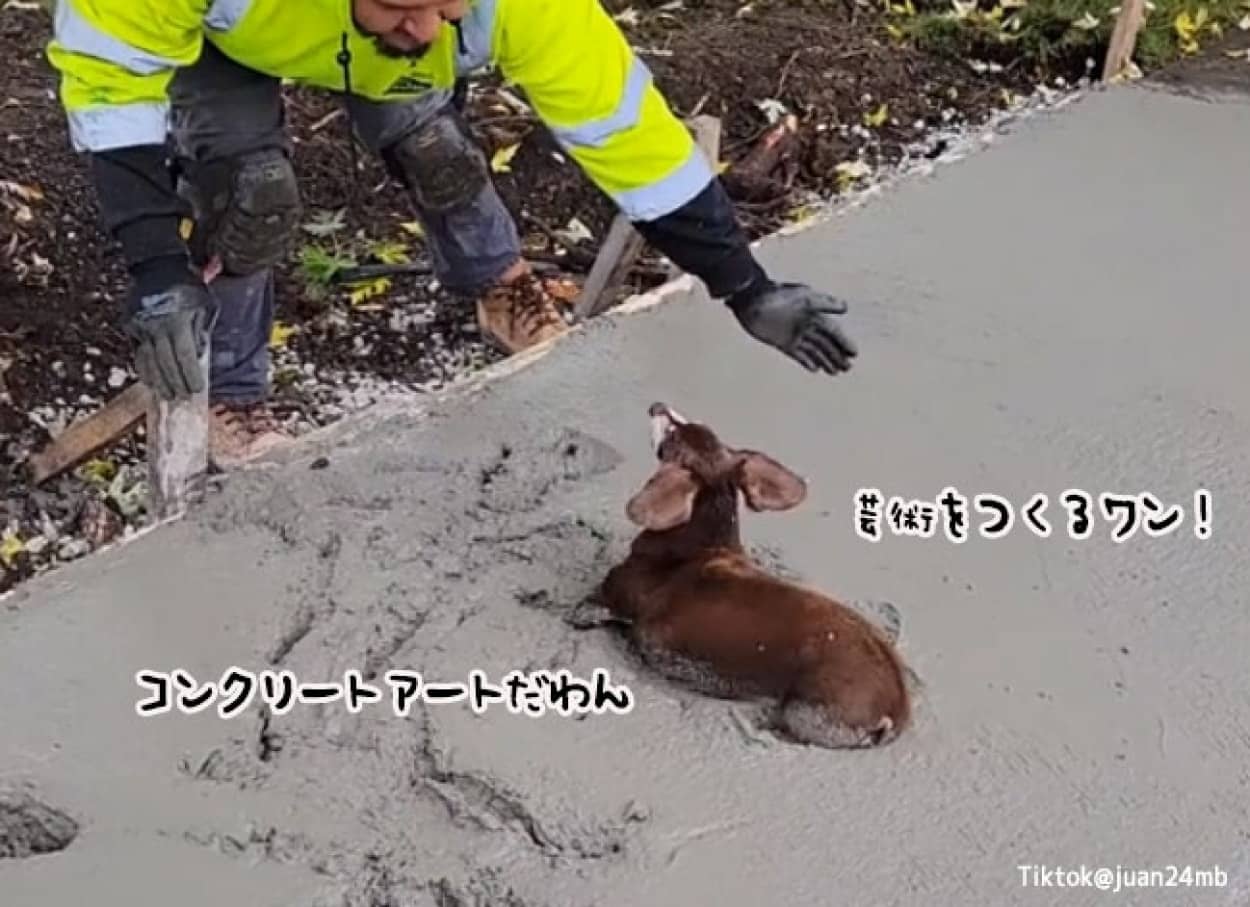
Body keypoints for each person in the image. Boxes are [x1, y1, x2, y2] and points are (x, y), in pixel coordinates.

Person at [46, 0, 858, 468]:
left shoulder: (506, 9)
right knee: (251, 197)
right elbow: (110, 87)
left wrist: (746, 287)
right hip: (229, 30)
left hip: (346, 38)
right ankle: (234, 390)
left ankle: (497, 284)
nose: (429, 28)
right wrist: (157, 271)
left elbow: (625, 132)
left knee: (439, 149)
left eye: (448, 5)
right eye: (405, 4)